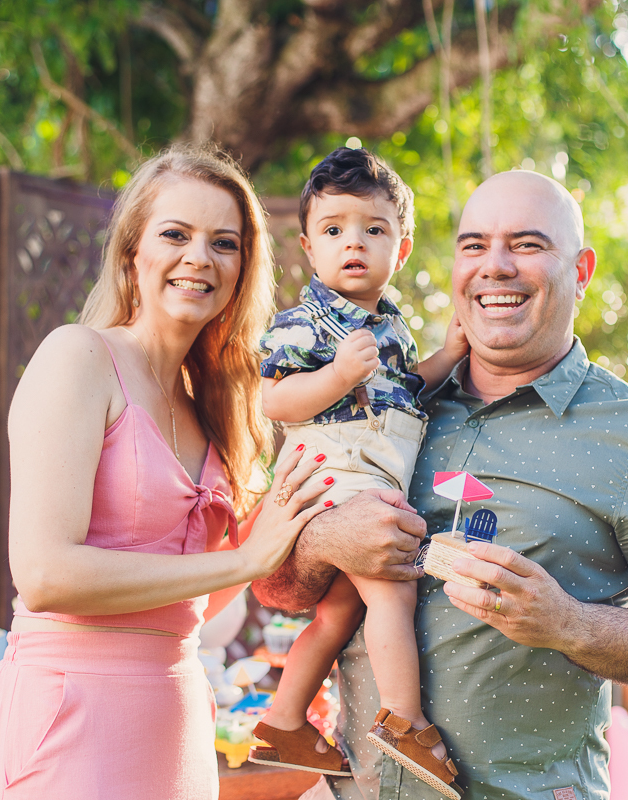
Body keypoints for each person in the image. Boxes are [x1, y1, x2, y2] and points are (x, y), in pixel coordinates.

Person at [253, 170, 628, 800]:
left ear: (582, 270)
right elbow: (272, 585)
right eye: (474, 245)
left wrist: (570, 624)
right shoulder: (383, 409)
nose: (496, 266)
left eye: (529, 245)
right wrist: (326, 540)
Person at [0, 145, 332, 800]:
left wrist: (300, 531)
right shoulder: (78, 358)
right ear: (134, 252)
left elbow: (192, 605)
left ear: (243, 267)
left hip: (176, 727)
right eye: (176, 234)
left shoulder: (221, 408)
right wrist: (248, 557)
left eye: (224, 242)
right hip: (66, 725)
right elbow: (47, 577)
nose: (200, 257)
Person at [249, 148, 467, 799]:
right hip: (336, 468)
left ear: (399, 251)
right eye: (336, 229)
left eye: (374, 229)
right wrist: (337, 375)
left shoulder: (392, 326)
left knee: (344, 607)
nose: (355, 243)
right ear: (310, 248)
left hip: (372, 469)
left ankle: (284, 721)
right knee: (394, 588)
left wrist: (448, 354)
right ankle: (405, 721)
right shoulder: (304, 323)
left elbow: (405, 393)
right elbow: (276, 399)